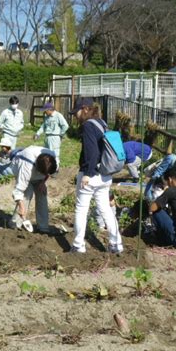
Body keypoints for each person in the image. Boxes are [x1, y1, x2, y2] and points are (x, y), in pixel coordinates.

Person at [70, 97, 123, 254]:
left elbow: (91, 152)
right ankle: (116, 244)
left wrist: (87, 173)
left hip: (91, 175)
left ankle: (79, 245)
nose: (75, 116)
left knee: (81, 209)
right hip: (105, 174)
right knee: (105, 209)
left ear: (85, 109)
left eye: (77, 112)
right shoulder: (102, 123)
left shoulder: (87, 126)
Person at [9, 145, 57, 233]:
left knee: (42, 194)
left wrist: (43, 182)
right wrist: (21, 206)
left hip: (38, 174)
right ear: (38, 169)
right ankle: (15, 224)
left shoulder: (53, 159)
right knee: (27, 194)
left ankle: (43, 227)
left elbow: (49, 172)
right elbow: (18, 191)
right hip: (20, 166)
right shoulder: (27, 166)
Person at [34, 102, 69, 166]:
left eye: (45, 111)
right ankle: (49, 168)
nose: (44, 112)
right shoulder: (47, 117)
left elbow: (65, 126)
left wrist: (60, 134)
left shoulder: (58, 115)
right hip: (47, 137)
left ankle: (56, 168)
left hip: (54, 138)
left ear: (49, 109)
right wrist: (37, 133)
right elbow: (43, 127)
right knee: (47, 154)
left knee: (54, 154)